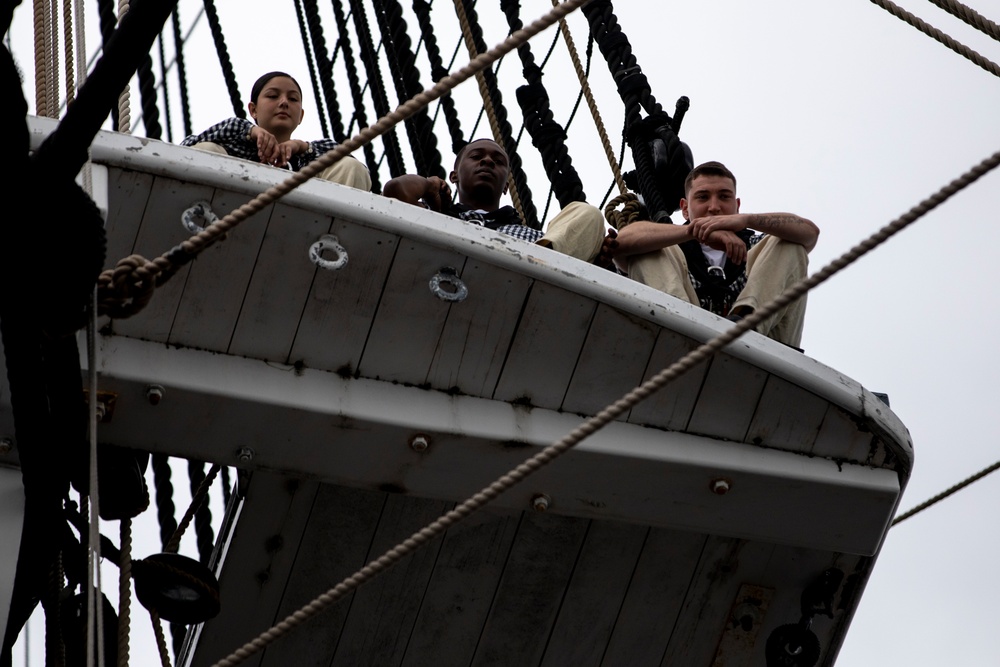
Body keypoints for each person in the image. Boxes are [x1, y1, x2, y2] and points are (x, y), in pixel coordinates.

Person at [613, 161, 819, 348]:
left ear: (737, 206)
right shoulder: (674, 248)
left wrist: (747, 221)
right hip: (680, 338)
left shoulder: (757, 245)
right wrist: (692, 232)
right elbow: (621, 243)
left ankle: (746, 321)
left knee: (791, 245)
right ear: (685, 209)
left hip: (761, 347)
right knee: (649, 248)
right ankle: (676, 321)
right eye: (703, 197)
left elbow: (810, 233)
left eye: (724, 196)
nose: (714, 207)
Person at [382, 138, 609, 263]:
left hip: (528, 268)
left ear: (506, 188)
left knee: (586, 213)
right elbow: (395, 191)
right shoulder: (435, 217)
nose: (488, 162)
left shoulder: (536, 237)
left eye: (498, 161)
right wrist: (429, 184)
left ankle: (541, 263)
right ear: (454, 177)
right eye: (477, 157)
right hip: (443, 266)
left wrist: (601, 258)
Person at [181, 71, 371, 191]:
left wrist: (301, 147)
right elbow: (186, 148)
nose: (284, 103)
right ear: (253, 110)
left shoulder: (309, 157)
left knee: (349, 166)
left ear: (301, 116)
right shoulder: (233, 141)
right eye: (273, 96)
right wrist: (250, 131)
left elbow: (350, 165)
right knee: (206, 150)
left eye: (293, 99)